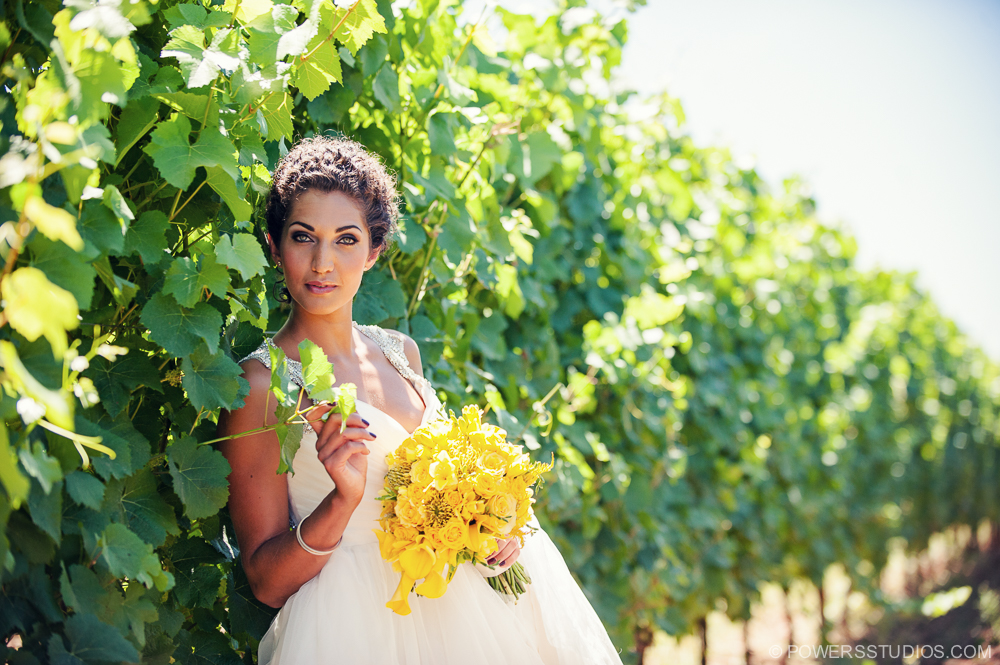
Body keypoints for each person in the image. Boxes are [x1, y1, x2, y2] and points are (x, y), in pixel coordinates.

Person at [216, 135, 623, 664]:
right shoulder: (260, 385)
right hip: (355, 627)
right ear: (274, 245)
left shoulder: (399, 351)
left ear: (374, 250)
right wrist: (342, 502)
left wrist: (488, 526)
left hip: (466, 616)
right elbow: (266, 583)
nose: (322, 263)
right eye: (302, 237)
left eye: (345, 239)